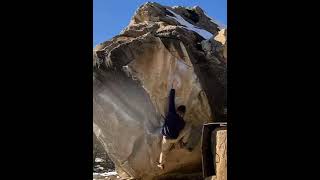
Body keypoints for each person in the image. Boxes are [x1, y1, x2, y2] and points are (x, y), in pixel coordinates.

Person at [157, 79, 192, 170]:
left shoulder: (172, 112)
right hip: (175, 138)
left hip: (166, 139)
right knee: (189, 127)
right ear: (183, 114)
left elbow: (171, 100)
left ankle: (161, 164)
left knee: (163, 152)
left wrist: (173, 88)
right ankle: (182, 143)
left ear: (177, 110)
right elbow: (181, 129)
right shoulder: (182, 122)